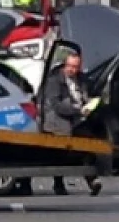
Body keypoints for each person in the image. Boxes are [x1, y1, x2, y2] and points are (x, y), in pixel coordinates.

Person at [39, 52, 103, 196]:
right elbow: (56, 105)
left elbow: (87, 95)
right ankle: (59, 183)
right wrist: (76, 109)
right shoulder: (55, 80)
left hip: (79, 120)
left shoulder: (81, 79)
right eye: (70, 66)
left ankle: (93, 180)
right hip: (60, 122)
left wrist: (91, 104)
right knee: (60, 154)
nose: (72, 70)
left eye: (76, 67)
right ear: (64, 65)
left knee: (87, 146)